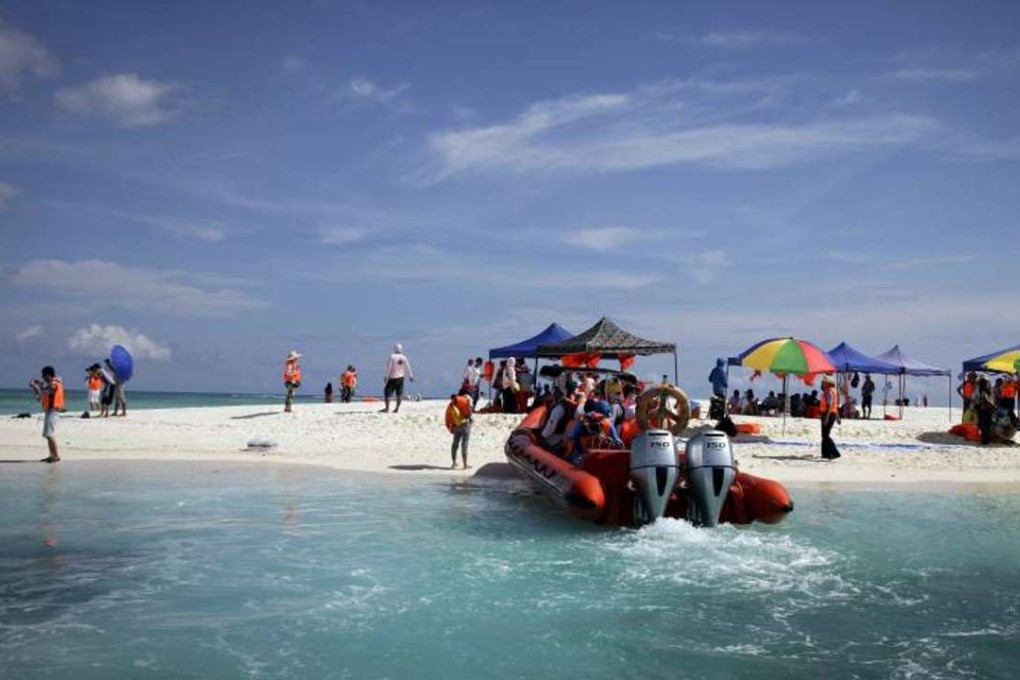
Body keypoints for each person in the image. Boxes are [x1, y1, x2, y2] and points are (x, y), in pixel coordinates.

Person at [568, 399, 621, 465]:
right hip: (591, 454)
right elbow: (618, 442)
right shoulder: (608, 424)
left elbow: (574, 436)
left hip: (587, 454)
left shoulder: (584, 420)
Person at [33, 366, 64, 463]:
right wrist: (38, 388)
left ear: (48, 375)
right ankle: (52, 455)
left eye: (44, 376)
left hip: (53, 411)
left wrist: (39, 386)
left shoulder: (54, 384)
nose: (43, 378)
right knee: (47, 434)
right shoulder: (51, 384)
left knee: (49, 434)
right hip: (49, 411)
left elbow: (50, 388)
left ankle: (56, 456)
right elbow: (39, 397)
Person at [540, 381, 578, 454]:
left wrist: (542, 436)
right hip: (563, 437)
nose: (554, 393)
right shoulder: (571, 406)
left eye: (556, 391)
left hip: (554, 439)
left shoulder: (559, 408)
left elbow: (551, 426)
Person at [445, 391, 473, 469]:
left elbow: (447, 417)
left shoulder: (450, 406)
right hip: (465, 425)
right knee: (464, 445)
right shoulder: (465, 401)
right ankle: (465, 464)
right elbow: (469, 413)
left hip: (456, 426)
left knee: (455, 445)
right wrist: (470, 418)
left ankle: (454, 463)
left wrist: (449, 427)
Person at [383, 343, 414, 413]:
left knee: (387, 392)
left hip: (392, 377)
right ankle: (397, 408)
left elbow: (389, 367)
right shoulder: (404, 357)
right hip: (401, 378)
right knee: (399, 393)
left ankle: (387, 408)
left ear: (394, 349)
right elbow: (408, 367)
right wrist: (411, 376)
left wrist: (386, 376)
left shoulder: (392, 356)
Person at [819, 375, 841, 460]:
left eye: (823, 383)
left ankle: (835, 452)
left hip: (828, 413)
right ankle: (825, 453)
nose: (822, 384)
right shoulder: (833, 391)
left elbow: (830, 405)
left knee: (826, 435)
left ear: (827, 384)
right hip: (832, 413)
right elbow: (835, 406)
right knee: (824, 435)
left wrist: (826, 417)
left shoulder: (829, 392)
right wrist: (838, 417)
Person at [974, 375, 996, 445]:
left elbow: (985, 400)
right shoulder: (989, 390)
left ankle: (984, 440)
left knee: (983, 425)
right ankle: (985, 440)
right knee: (986, 425)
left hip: (984, 409)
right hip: (988, 409)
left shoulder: (983, 391)